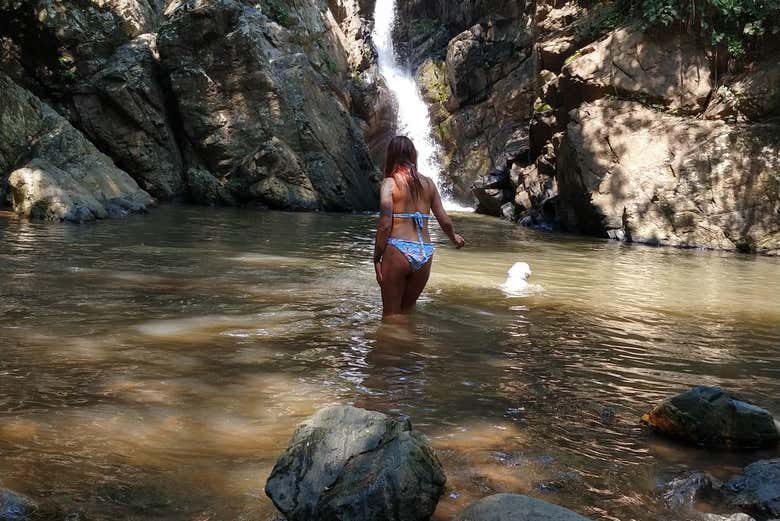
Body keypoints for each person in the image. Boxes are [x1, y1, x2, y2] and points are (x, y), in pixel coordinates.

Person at [373, 136, 465, 319]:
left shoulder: (390, 183)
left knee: (391, 315)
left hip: (398, 249)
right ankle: (412, 338)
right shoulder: (429, 183)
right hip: (425, 253)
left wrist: (376, 258)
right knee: (407, 312)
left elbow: (384, 225)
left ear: (391, 156)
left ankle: (389, 339)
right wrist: (454, 237)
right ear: (413, 155)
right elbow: (444, 220)